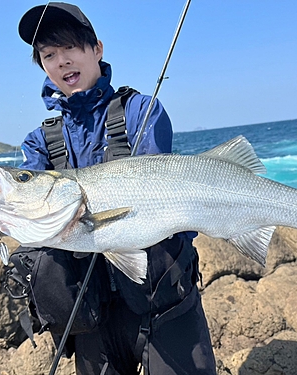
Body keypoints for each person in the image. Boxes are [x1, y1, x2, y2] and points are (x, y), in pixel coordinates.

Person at [14, 3, 217, 374]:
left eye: (72, 47)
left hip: (163, 304)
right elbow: (31, 215)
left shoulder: (141, 111)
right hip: (89, 316)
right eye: (49, 55)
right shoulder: (39, 143)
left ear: (97, 49)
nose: (62, 62)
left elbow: (161, 201)